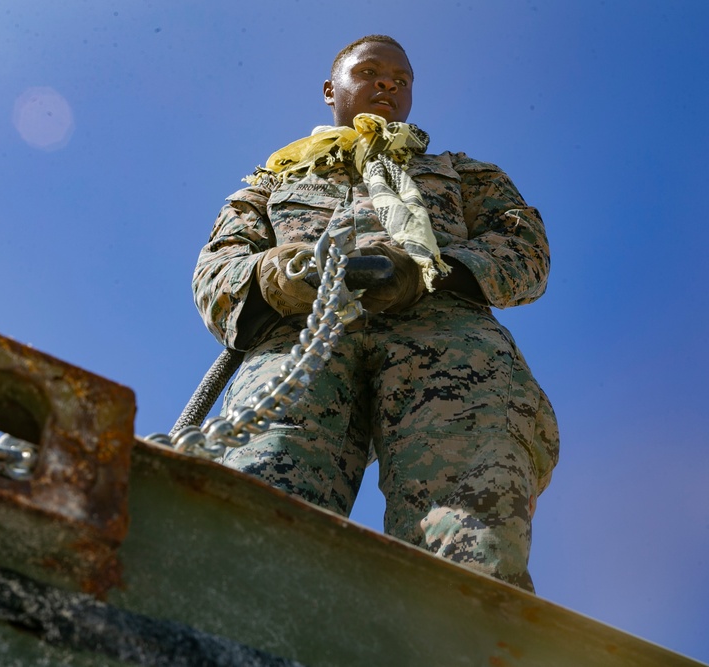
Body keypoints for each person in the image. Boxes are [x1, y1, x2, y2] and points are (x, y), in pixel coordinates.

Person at [192, 35, 558, 591]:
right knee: (257, 511)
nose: (388, 84)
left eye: (401, 78)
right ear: (329, 89)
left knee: (474, 534)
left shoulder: (462, 174)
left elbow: (524, 249)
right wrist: (284, 276)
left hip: (450, 350)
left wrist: (423, 272)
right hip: (300, 352)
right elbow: (217, 273)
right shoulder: (273, 182)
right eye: (370, 72)